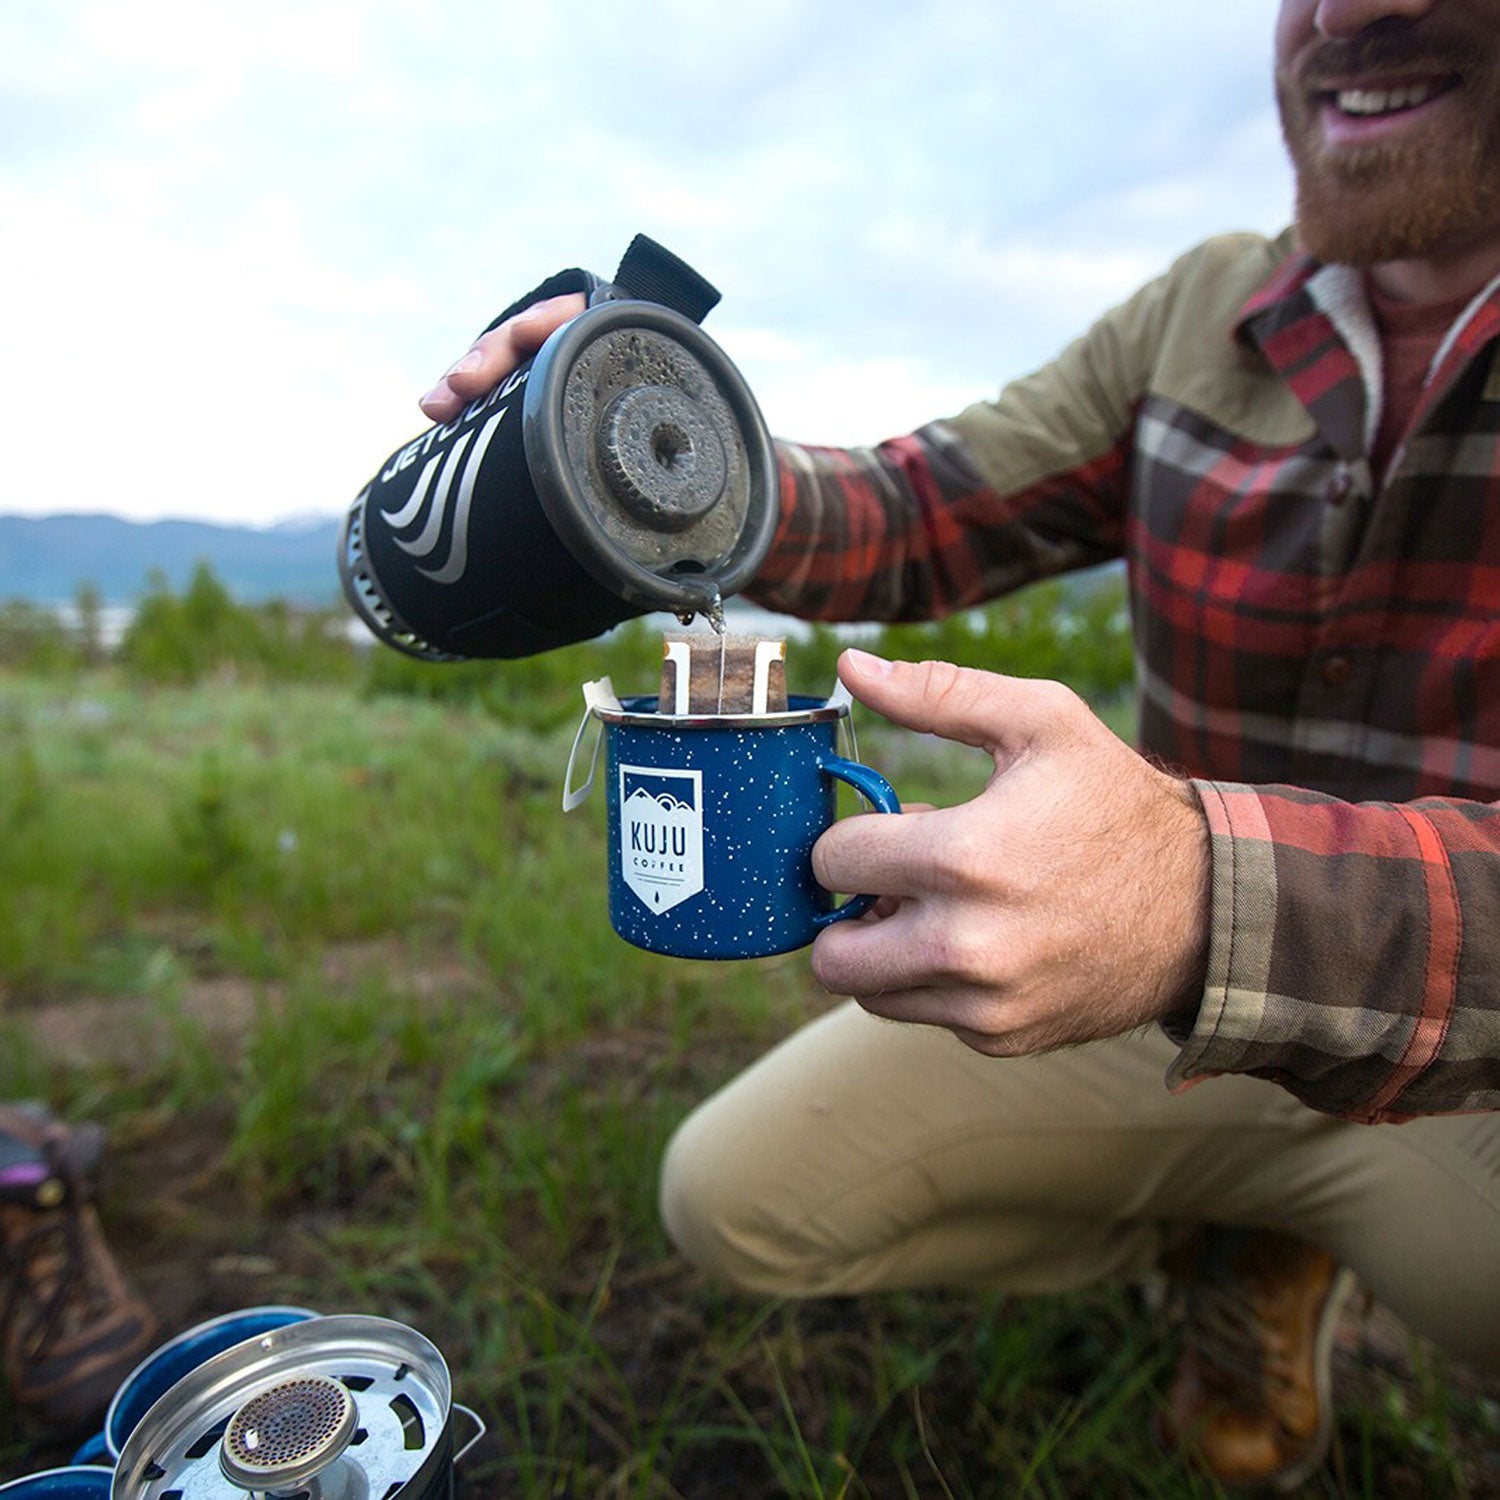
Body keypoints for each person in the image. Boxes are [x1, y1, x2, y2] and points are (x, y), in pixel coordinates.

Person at [416, 0, 1500, 1487]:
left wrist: (1196, 900)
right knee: (738, 1196)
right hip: (1176, 1015)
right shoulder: (1206, 310)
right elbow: (924, 509)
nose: (1354, 13)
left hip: (1475, 1069)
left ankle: (1302, 1221)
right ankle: (1239, 1240)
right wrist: (657, 450)